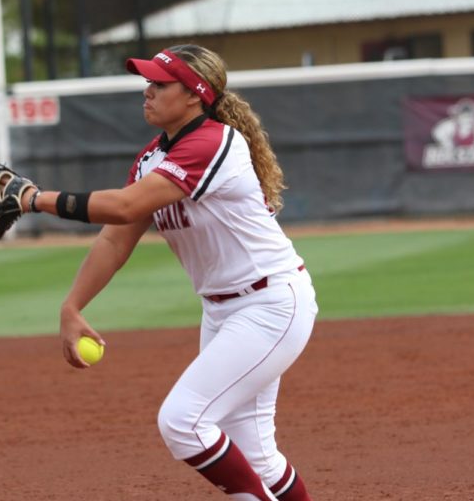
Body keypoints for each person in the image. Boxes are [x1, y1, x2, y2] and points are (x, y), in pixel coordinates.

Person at [20, 44, 318, 500]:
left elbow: (125, 204)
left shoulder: (212, 141)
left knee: (183, 421)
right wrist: (72, 304)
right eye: (147, 82)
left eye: (160, 84)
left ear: (195, 94)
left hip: (270, 305)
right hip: (223, 313)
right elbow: (116, 235)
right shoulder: (150, 158)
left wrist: (34, 199)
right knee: (258, 458)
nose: (148, 91)